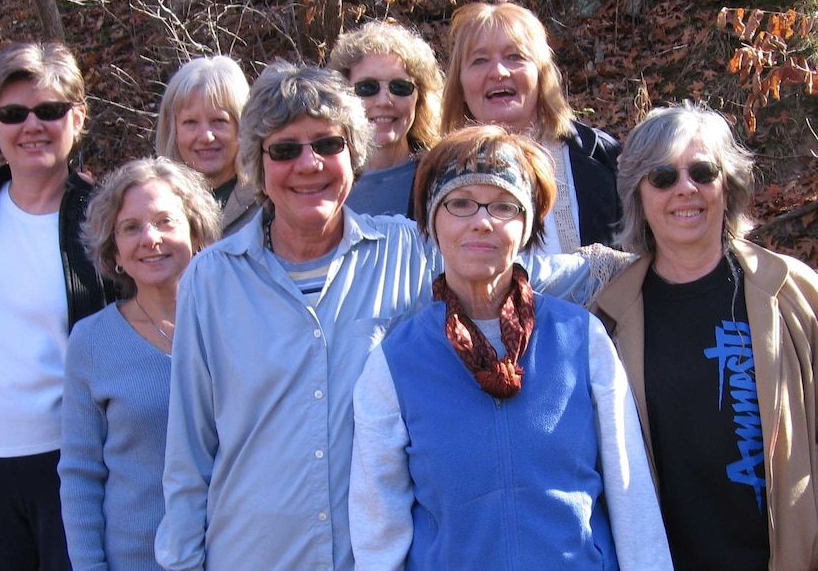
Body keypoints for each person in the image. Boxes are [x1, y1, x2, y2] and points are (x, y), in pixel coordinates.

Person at [154, 60, 614, 571]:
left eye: (328, 145)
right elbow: (189, 456)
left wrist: (650, 258)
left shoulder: (407, 249)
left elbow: (514, 262)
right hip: (250, 557)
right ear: (258, 165)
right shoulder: (211, 280)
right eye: (286, 149)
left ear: (354, 156)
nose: (309, 165)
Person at [349, 124, 671, 570]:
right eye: (459, 204)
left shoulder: (581, 339)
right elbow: (377, 533)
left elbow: (631, 497)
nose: (482, 221)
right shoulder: (396, 363)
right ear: (431, 221)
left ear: (528, 227)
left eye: (504, 205)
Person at [592, 102, 818, 570]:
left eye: (702, 171)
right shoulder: (608, 321)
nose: (685, 189)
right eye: (662, 177)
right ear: (638, 194)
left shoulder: (795, 294)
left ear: (727, 185)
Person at [0, 42, 114, 571]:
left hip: (77, 468)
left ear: (78, 117)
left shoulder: (111, 220)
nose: (32, 126)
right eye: (13, 113)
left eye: (49, 110)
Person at [58, 157, 221, 571]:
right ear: (114, 250)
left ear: (197, 233)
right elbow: (80, 476)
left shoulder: (235, 327)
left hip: (234, 553)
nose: (150, 238)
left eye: (166, 221)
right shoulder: (91, 342)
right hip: (133, 560)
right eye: (131, 227)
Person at [441, 1, 621, 254]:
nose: (499, 72)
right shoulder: (435, 172)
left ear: (541, 73)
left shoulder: (601, 158)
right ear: (459, 86)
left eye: (515, 57)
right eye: (479, 60)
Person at [328, 20, 443, 218]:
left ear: (420, 98)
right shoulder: (321, 180)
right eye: (367, 87)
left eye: (400, 87)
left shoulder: (443, 178)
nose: (384, 101)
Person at [155, 55, 261, 231]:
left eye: (219, 121)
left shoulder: (269, 205)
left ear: (242, 125)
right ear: (172, 129)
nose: (206, 137)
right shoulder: (154, 205)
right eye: (190, 122)